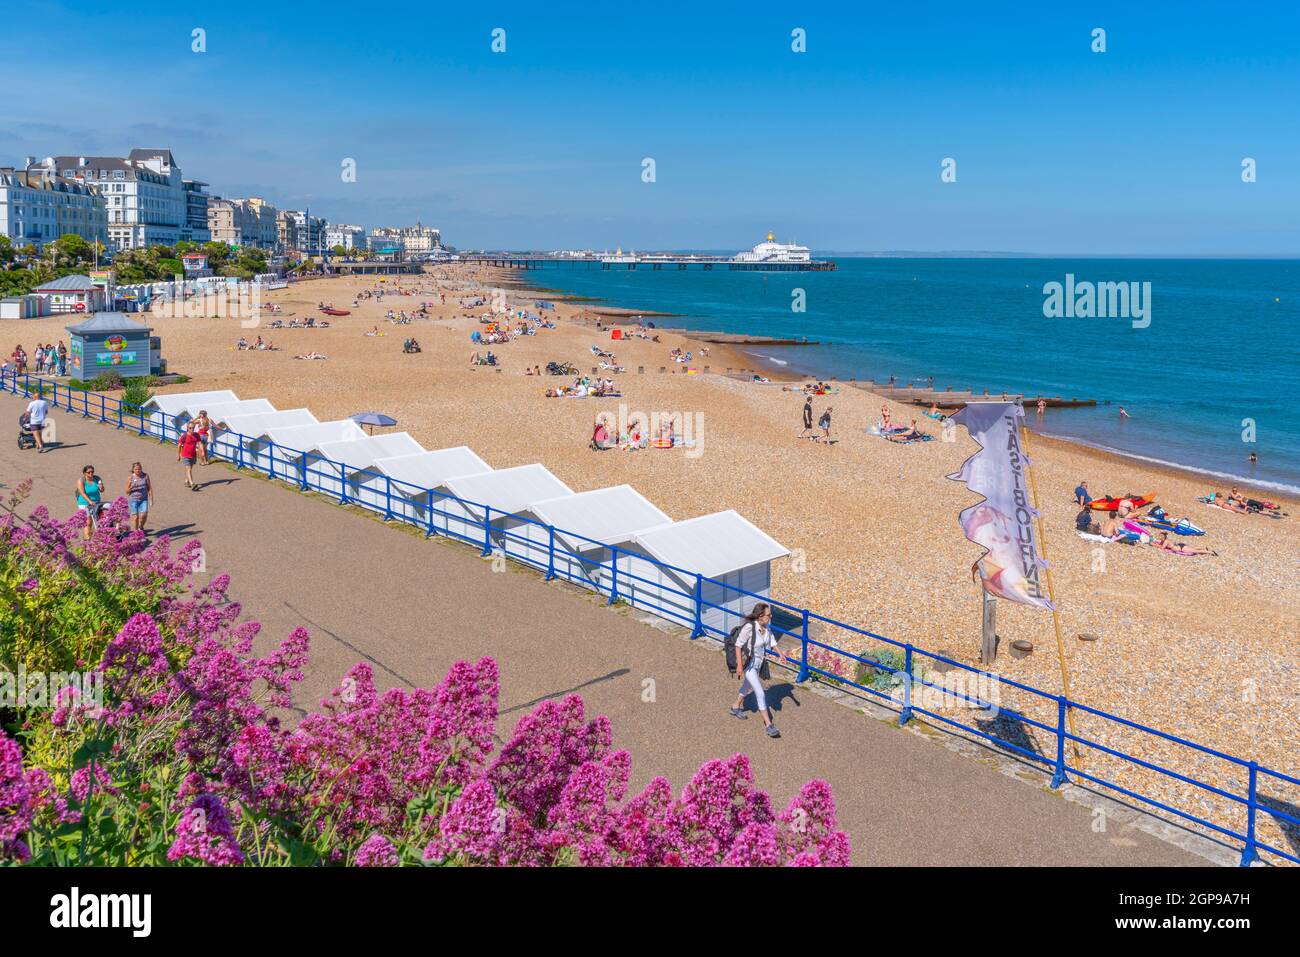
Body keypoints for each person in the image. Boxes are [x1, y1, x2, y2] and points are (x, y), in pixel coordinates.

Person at [729, 603, 795, 738]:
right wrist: (740, 666)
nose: (771, 616)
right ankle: (769, 725)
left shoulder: (766, 628)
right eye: (768, 614)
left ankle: (735, 707)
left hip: (759, 664)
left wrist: (781, 654)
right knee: (760, 692)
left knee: (747, 685)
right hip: (749, 665)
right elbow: (738, 645)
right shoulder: (749, 627)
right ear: (760, 616)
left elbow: (772, 642)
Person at [75, 464, 104, 540]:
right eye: (88, 472)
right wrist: (90, 501)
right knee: (88, 522)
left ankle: (93, 537)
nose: (91, 474)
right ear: (84, 473)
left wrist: (101, 487)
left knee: (97, 520)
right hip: (84, 503)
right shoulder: (81, 481)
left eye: (92, 472)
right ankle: (87, 540)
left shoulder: (97, 479)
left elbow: (102, 490)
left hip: (96, 502)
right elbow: (82, 493)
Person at [124, 461, 153, 533]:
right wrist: (131, 487)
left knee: (144, 515)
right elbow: (126, 491)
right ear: (133, 470)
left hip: (143, 499)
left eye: (139, 469)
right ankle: (136, 532)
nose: (138, 470)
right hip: (133, 500)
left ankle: (141, 526)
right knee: (136, 517)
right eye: (136, 469)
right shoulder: (130, 478)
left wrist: (151, 499)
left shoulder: (145, 476)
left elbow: (149, 488)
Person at [1152, 532, 1216, 557]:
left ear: (1163, 537)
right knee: (1193, 548)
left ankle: (1211, 552)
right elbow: (1159, 543)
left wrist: (1154, 545)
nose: (1159, 537)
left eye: (1160, 536)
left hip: (1181, 548)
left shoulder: (1165, 541)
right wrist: (1154, 542)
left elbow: (1162, 547)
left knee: (1196, 551)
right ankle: (1204, 548)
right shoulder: (1164, 541)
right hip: (1180, 546)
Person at [25, 387, 50, 452]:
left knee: (36, 435)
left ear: (35, 397)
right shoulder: (44, 402)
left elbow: (27, 412)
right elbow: (46, 412)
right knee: (39, 433)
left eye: (33, 396)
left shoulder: (32, 403)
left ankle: (41, 447)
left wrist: (26, 418)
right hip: (42, 420)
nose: (32, 397)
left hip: (34, 421)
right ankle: (38, 444)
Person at [178, 422, 201, 490]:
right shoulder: (184, 436)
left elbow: (200, 443)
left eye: (193, 428)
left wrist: (200, 451)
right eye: (190, 428)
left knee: (189, 469)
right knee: (189, 469)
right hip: (185, 455)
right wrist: (179, 455)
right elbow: (179, 445)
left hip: (193, 455)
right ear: (187, 428)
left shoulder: (196, 435)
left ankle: (186, 481)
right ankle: (192, 483)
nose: (191, 429)